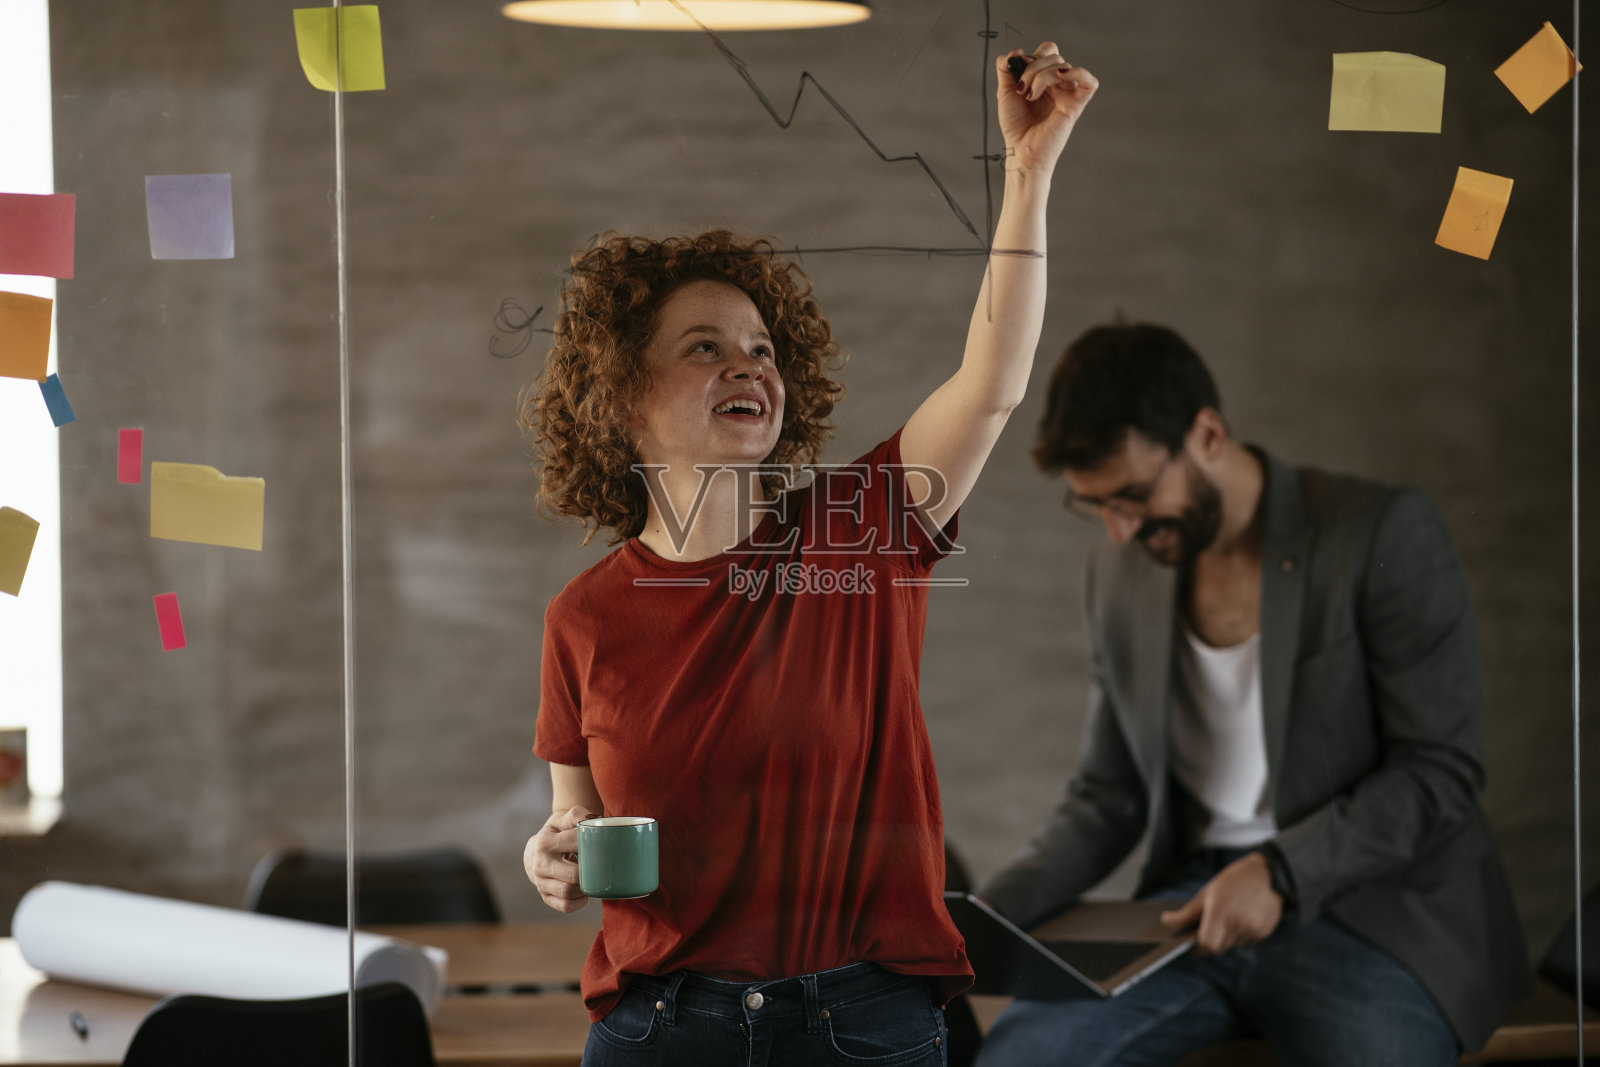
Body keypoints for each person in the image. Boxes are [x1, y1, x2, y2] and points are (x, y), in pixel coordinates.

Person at [519, 45, 1099, 1067]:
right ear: (620, 399)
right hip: (660, 1029)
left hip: (862, 1025)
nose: (749, 365)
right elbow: (576, 823)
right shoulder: (583, 617)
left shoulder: (859, 531)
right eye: (705, 346)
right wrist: (551, 854)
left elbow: (994, 380)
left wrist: (1030, 172)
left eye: (762, 348)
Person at [973, 323, 1531, 1067]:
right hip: (1187, 914)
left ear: (1207, 433)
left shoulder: (1380, 533)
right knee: (1020, 1060)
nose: (1118, 531)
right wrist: (986, 918)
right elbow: (1108, 795)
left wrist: (1279, 872)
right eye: (1096, 505)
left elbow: (1441, 770)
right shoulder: (1122, 575)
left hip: (1369, 908)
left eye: (1134, 496)